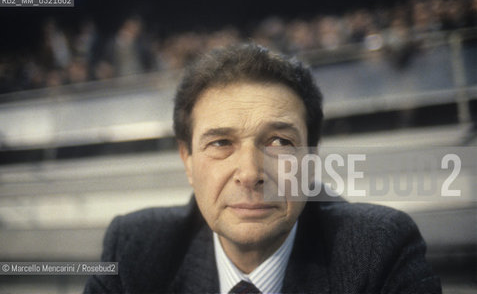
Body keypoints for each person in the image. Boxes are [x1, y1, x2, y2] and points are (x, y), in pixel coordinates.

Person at [84, 43, 441, 293]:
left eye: (279, 143)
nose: (250, 172)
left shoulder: (379, 249)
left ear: (311, 160)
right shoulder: (133, 250)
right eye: (221, 143)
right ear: (187, 161)